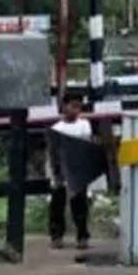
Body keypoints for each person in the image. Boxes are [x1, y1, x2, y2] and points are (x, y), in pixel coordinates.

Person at [48, 93, 93, 249]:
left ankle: (82, 236)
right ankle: (56, 236)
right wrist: (56, 172)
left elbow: (85, 145)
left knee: (79, 204)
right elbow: (53, 153)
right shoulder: (56, 128)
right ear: (64, 106)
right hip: (61, 168)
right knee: (57, 204)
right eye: (73, 106)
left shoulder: (84, 125)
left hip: (78, 169)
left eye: (78, 107)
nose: (76, 110)